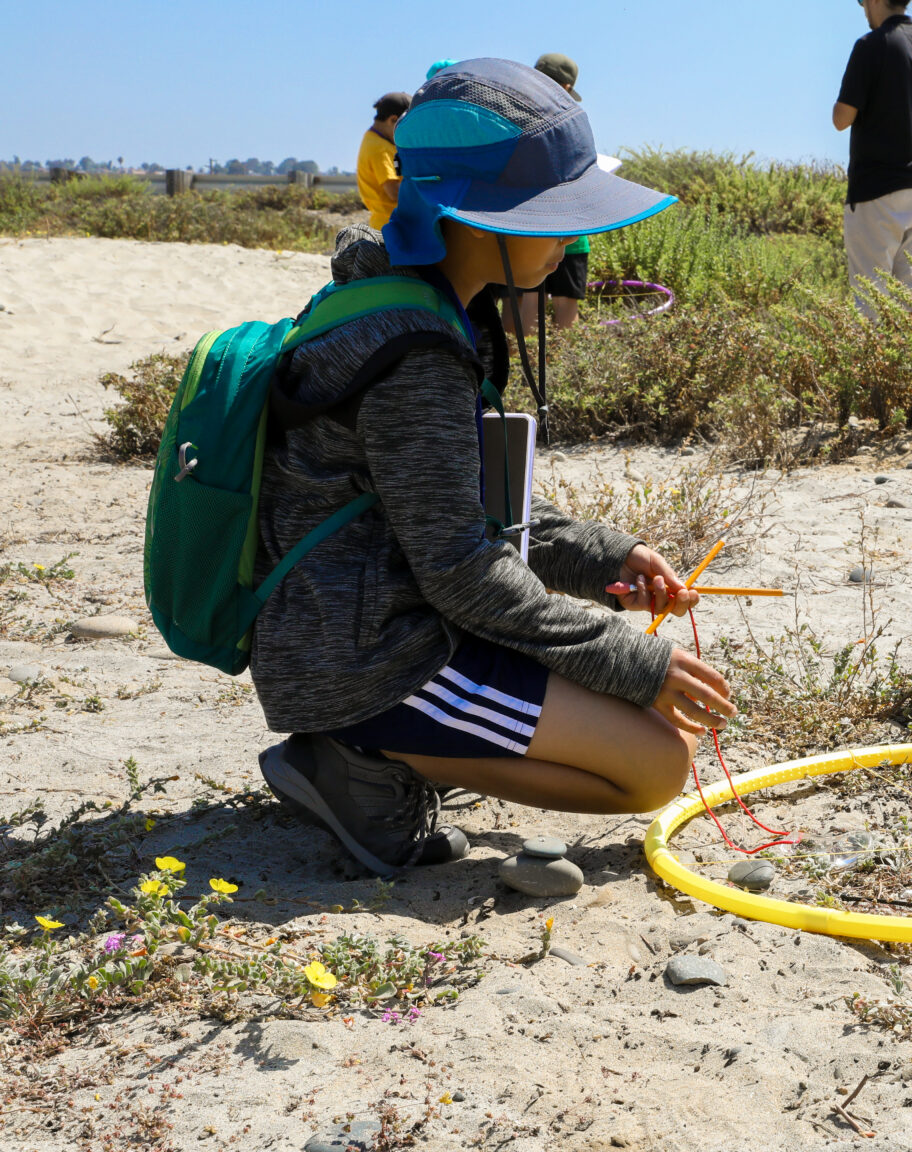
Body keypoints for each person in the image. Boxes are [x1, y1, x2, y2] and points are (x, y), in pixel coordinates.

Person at [253, 58, 708, 875]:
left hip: (369, 624)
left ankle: (381, 744)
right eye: (555, 214)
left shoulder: (425, 304)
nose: (574, 237)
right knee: (656, 767)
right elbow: (463, 568)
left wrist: (606, 558)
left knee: (643, 745)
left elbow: (475, 513)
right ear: (471, 217)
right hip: (371, 657)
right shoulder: (417, 354)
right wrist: (634, 660)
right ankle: (360, 758)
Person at [832, 0, 912, 320]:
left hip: (876, 190)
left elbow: (842, 118)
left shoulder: (870, 46)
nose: (862, 6)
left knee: (870, 293)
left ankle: (870, 368)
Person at [510, 52, 592, 333]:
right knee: (565, 320)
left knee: (523, 311)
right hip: (568, 229)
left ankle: (518, 374)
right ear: (567, 87)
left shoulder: (513, 113)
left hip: (523, 225)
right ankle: (559, 373)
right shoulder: (574, 119)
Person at [355, 91, 411, 231]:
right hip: (391, 226)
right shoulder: (379, 148)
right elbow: (393, 192)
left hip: (385, 223)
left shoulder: (374, 139)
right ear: (393, 120)